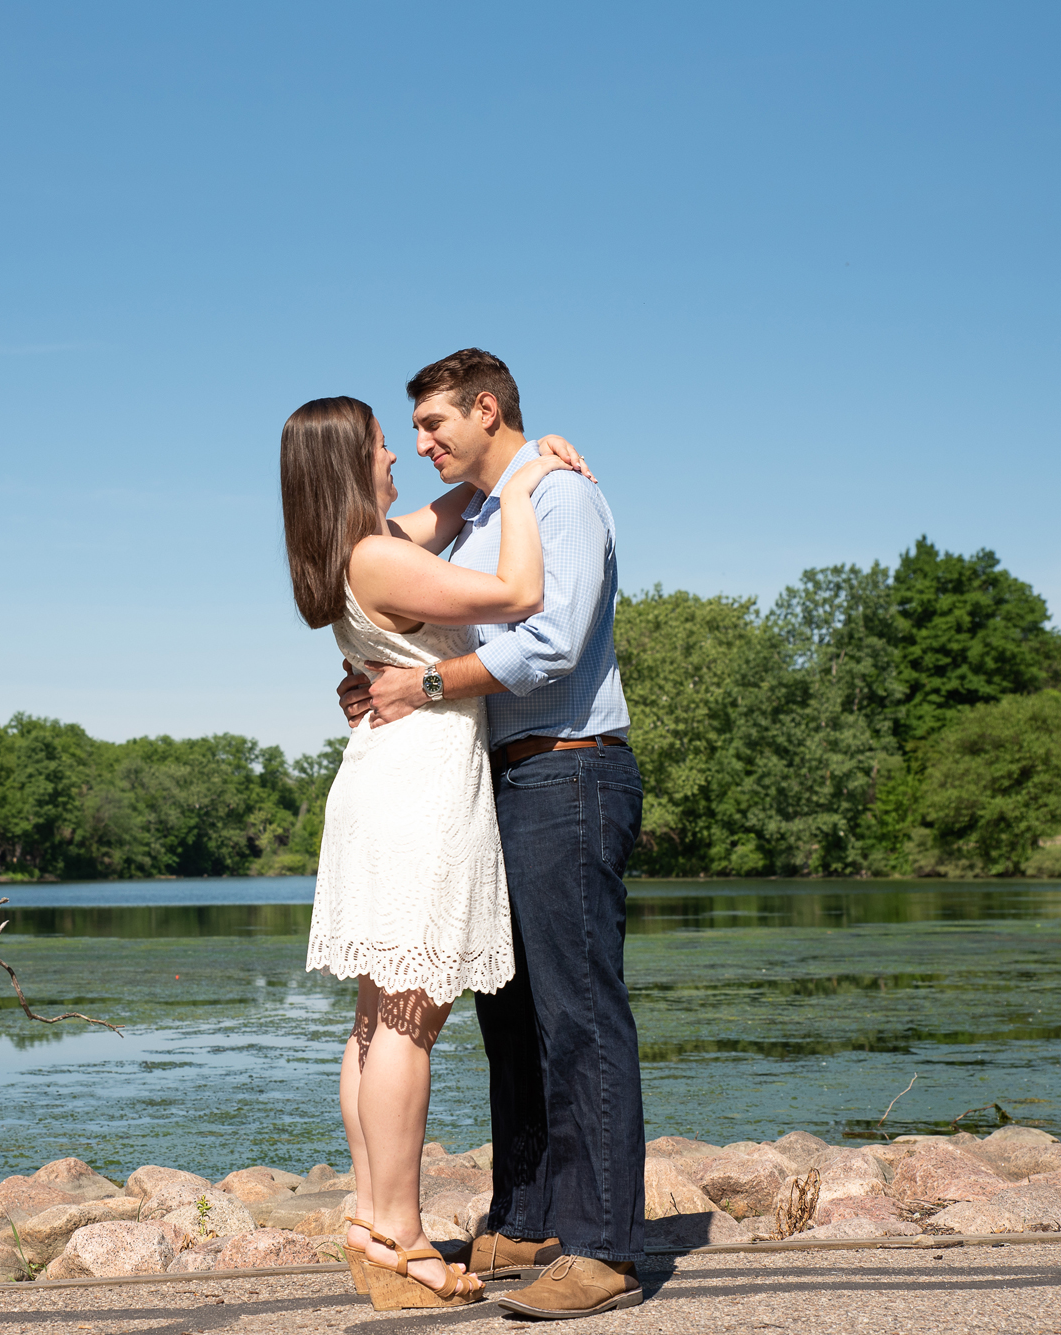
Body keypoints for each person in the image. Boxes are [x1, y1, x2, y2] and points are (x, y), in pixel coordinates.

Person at [335, 348, 647, 1321]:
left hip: (569, 763)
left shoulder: (556, 495)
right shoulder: (478, 515)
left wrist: (420, 683)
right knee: (506, 1015)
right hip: (494, 777)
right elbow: (432, 621)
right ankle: (527, 1217)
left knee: (578, 1012)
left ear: (484, 408)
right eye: (410, 433)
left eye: (433, 425)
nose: (421, 444)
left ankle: (601, 1246)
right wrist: (386, 668)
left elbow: (548, 638)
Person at [278, 394, 583, 1311]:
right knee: (410, 1017)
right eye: (381, 445)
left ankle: (373, 1220)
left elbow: (448, 512)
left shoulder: (358, 548)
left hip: (389, 783)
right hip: (418, 794)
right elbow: (523, 594)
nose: (397, 456)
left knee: (378, 1017)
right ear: (347, 462)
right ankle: (403, 1233)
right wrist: (528, 479)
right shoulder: (378, 557)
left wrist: (503, 466)